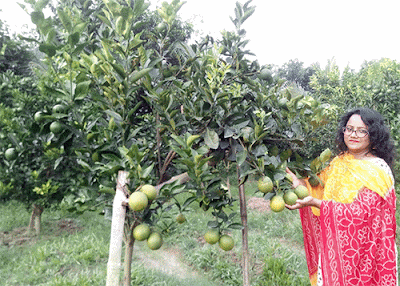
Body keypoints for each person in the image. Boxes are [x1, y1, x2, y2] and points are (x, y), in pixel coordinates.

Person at [286, 107, 398, 286]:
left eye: (362, 131)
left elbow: (361, 213)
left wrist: (316, 203)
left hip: (366, 252)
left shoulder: (378, 170)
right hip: (335, 247)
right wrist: (295, 183)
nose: (354, 134)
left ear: (373, 135)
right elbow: (316, 188)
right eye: (349, 129)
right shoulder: (339, 162)